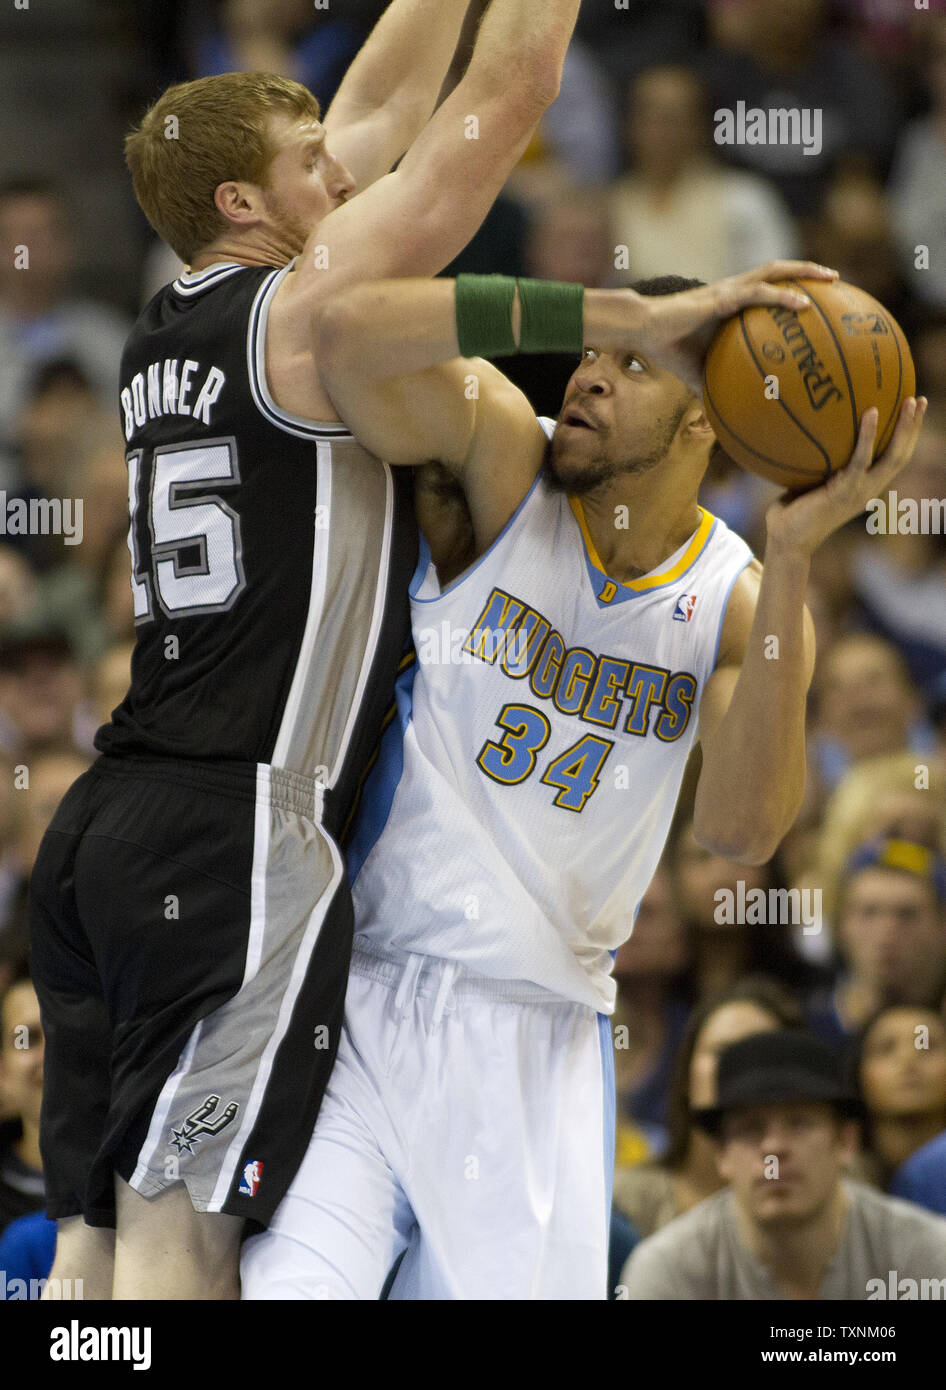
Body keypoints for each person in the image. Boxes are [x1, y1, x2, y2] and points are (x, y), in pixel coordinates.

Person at [28, 0, 584, 1302]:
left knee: (87, 1253)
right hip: (236, 829)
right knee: (182, 1247)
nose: (347, 168)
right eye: (315, 166)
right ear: (242, 198)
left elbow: (373, 116)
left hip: (107, 823)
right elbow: (504, 100)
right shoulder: (309, 311)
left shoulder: (167, 323)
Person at [240, 260, 926, 1299]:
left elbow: (743, 830)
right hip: (360, 997)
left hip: (538, 1035)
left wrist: (791, 558)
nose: (589, 377)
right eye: (591, 355)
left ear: (709, 420)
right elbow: (342, 337)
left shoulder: (738, 602)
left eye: (632, 366)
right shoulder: (504, 459)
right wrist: (610, 313)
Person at [620, 1030, 946, 1299]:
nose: (774, 1148)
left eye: (799, 1123)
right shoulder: (670, 1271)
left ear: (846, 1141)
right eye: (751, 1129)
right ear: (721, 1153)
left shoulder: (923, 1255)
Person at [613, 976, 803, 1240]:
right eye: (722, 1052)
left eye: (758, 1053)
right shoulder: (621, 1200)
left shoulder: (831, 1194)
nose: (737, 1070)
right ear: (686, 1076)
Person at [807, 838, 946, 1047]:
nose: (886, 931)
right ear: (841, 925)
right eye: (869, 912)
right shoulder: (805, 1027)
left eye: (906, 914)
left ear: (941, 926)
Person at [853, 1004, 946, 1193]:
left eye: (927, 1045)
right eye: (886, 1048)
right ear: (857, 1071)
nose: (908, 1059)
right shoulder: (838, 1182)